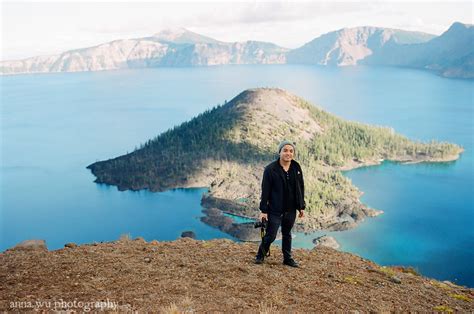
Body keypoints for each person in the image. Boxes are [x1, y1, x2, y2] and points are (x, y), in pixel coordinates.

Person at [255, 140, 305, 267]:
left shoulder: (296, 167)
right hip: (275, 210)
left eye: (291, 151)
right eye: (285, 150)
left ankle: (287, 258)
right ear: (279, 152)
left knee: (287, 234)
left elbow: (300, 187)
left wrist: (301, 206)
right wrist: (263, 211)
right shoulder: (270, 169)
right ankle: (260, 256)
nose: (288, 153)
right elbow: (265, 191)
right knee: (271, 235)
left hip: (291, 209)